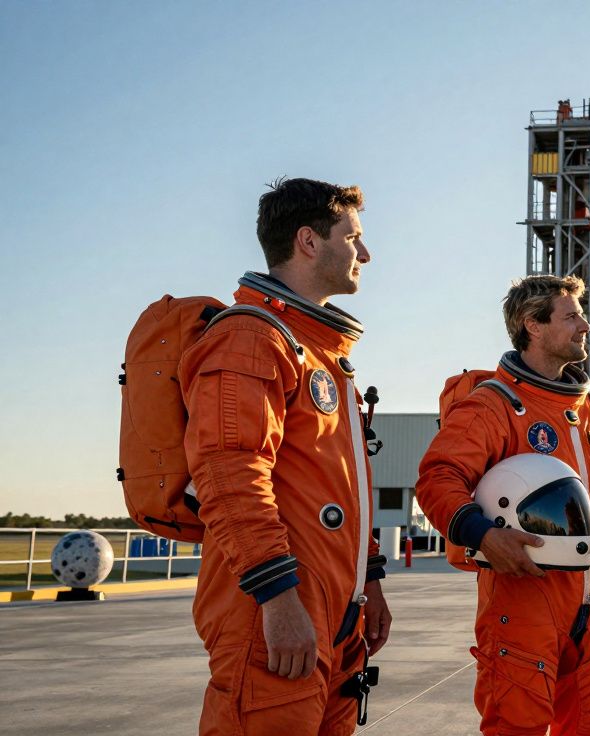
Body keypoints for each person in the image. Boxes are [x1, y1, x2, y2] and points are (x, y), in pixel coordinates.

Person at [179, 177, 391, 735]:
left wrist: (367, 584)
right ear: (309, 241)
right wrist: (277, 598)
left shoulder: (319, 351)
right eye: (354, 237)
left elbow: (340, 487)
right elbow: (230, 473)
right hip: (273, 614)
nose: (365, 253)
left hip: (332, 615)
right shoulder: (252, 338)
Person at [415, 275, 590, 736]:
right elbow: (438, 478)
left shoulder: (588, 410)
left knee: (588, 724)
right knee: (517, 727)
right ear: (532, 326)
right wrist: (482, 534)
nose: (586, 326)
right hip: (523, 600)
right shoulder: (493, 405)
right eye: (572, 315)